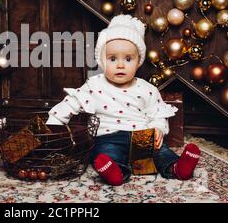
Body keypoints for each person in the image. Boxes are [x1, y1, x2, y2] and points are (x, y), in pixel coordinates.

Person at [46, 14, 200, 186]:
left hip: (141, 135)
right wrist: (54, 124)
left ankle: (177, 167)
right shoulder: (94, 85)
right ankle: (115, 171)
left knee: (161, 151)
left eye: (128, 59)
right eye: (113, 59)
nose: (120, 65)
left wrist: (158, 129)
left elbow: (157, 113)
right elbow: (72, 102)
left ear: (138, 61)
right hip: (107, 136)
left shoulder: (146, 89)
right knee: (104, 153)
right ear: (102, 60)